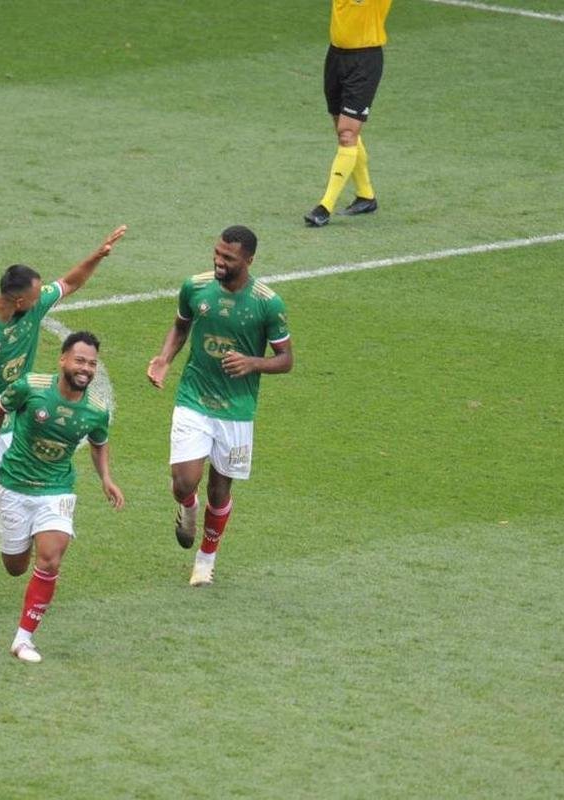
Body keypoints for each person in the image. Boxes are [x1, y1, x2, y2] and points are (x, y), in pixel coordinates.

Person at [0, 226, 126, 614]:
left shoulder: (31, 305)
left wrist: (97, 256)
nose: (40, 302)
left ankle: (22, 531)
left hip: (13, 420)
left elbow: (69, 283)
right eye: (34, 298)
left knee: (4, 499)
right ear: (18, 300)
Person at [146, 225, 292, 586]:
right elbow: (180, 327)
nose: (219, 261)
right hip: (193, 397)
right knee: (184, 482)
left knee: (220, 489)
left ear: (249, 260)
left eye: (228, 257)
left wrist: (253, 363)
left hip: (236, 409)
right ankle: (188, 507)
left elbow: (286, 359)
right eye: (217, 253)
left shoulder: (267, 303)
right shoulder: (195, 287)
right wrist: (164, 358)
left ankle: (205, 559)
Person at [0, 331, 123, 664]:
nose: (86, 369)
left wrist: (106, 478)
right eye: (80, 361)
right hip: (14, 485)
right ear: (63, 360)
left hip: (57, 490)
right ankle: (6, 514)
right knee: (15, 567)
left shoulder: (96, 410)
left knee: (50, 559)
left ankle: (23, 639)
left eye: (92, 364)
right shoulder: (31, 387)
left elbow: (99, 443)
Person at [304, 0, 393, 228]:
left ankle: (325, 207)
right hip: (335, 57)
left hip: (365, 60)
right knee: (343, 132)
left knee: (347, 134)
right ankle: (366, 196)